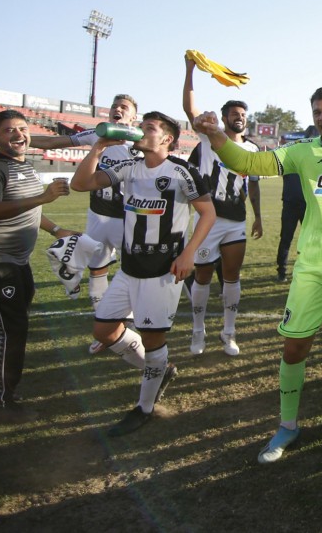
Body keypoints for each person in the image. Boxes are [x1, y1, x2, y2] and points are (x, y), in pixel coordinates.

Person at [193, 84, 322, 464]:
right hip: (313, 268)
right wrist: (217, 135)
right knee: (294, 346)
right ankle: (288, 424)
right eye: (317, 111)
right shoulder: (303, 151)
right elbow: (250, 165)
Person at [72, 112, 215, 434]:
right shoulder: (128, 167)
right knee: (103, 331)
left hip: (161, 271)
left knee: (153, 339)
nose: (140, 132)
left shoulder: (181, 171)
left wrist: (189, 253)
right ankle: (160, 369)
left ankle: (144, 407)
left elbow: (208, 212)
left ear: (167, 139)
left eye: (149, 128)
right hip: (129, 268)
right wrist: (97, 148)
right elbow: (80, 184)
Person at [0, 95, 141, 352]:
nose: (118, 110)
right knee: (97, 269)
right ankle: (106, 328)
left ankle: (129, 326)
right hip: (99, 215)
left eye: (125, 108)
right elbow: (54, 141)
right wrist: (12, 139)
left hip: (131, 218)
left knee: (133, 273)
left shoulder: (142, 140)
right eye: (115, 106)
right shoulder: (96, 135)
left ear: (134, 116)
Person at [0, 110, 74, 420]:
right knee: (8, 331)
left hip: (15, 263)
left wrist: (56, 229)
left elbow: (27, 213)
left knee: (6, 329)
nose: (17, 134)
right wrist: (42, 198)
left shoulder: (25, 167)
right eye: (8, 130)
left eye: (22, 128)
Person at [183, 58, 263, 356]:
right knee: (202, 277)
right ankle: (198, 331)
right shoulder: (209, 138)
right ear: (225, 118)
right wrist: (190, 71)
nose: (239, 117)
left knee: (232, 277)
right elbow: (190, 109)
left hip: (236, 221)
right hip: (209, 221)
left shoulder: (253, 149)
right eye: (233, 113)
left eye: (242, 114)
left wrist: (258, 217)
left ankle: (228, 333)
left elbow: (253, 184)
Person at [276, 173, 305, 281]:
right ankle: (281, 270)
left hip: (306, 204)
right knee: (285, 239)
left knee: (307, 240)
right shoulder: (288, 159)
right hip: (289, 205)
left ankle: (305, 268)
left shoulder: (305, 160)